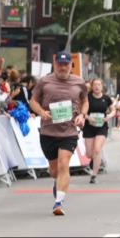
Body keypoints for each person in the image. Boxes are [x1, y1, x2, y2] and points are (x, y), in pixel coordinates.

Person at [30, 52, 87, 216]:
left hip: (69, 131)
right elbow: (33, 101)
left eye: (66, 64)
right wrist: (41, 112)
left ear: (70, 65)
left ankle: (58, 202)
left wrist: (82, 115)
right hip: (48, 131)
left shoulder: (79, 82)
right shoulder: (44, 81)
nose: (63, 67)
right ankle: (57, 182)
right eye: (60, 64)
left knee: (64, 164)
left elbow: (85, 101)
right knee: (54, 170)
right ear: (55, 64)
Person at [82, 78, 114, 184]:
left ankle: (94, 175)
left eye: (99, 85)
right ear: (92, 86)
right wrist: (88, 117)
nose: (97, 87)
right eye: (95, 85)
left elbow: (113, 110)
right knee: (89, 154)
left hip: (101, 126)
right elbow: (82, 111)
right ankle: (94, 160)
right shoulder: (87, 97)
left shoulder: (106, 98)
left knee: (97, 149)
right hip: (89, 127)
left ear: (102, 86)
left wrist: (109, 116)